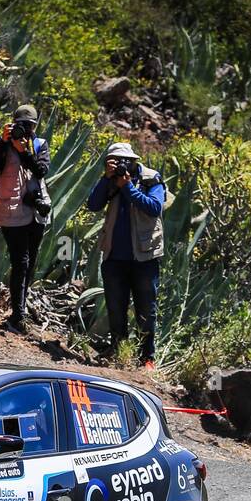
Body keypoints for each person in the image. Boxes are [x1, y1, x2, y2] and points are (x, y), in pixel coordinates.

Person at [86, 142, 166, 368]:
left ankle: (147, 358)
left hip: (144, 256)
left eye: (126, 161)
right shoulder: (110, 181)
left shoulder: (151, 179)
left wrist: (128, 187)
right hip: (114, 256)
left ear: (134, 161)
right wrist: (107, 179)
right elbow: (93, 204)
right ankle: (118, 352)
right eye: (116, 160)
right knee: (115, 307)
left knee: (146, 310)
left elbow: (154, 208)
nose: (122, 165)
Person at [0, 104, 50, 333]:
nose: (25, 129)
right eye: (21, 125)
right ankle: (18, 315)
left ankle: (19, 310)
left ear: (35, 126)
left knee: (30, 263)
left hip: (35, 212)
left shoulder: (39, 144)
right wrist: (4, 143)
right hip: (11, 211)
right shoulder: (3, 145)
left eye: (29, 125)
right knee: (20, 261)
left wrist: (23, 151)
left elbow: (41, 170)